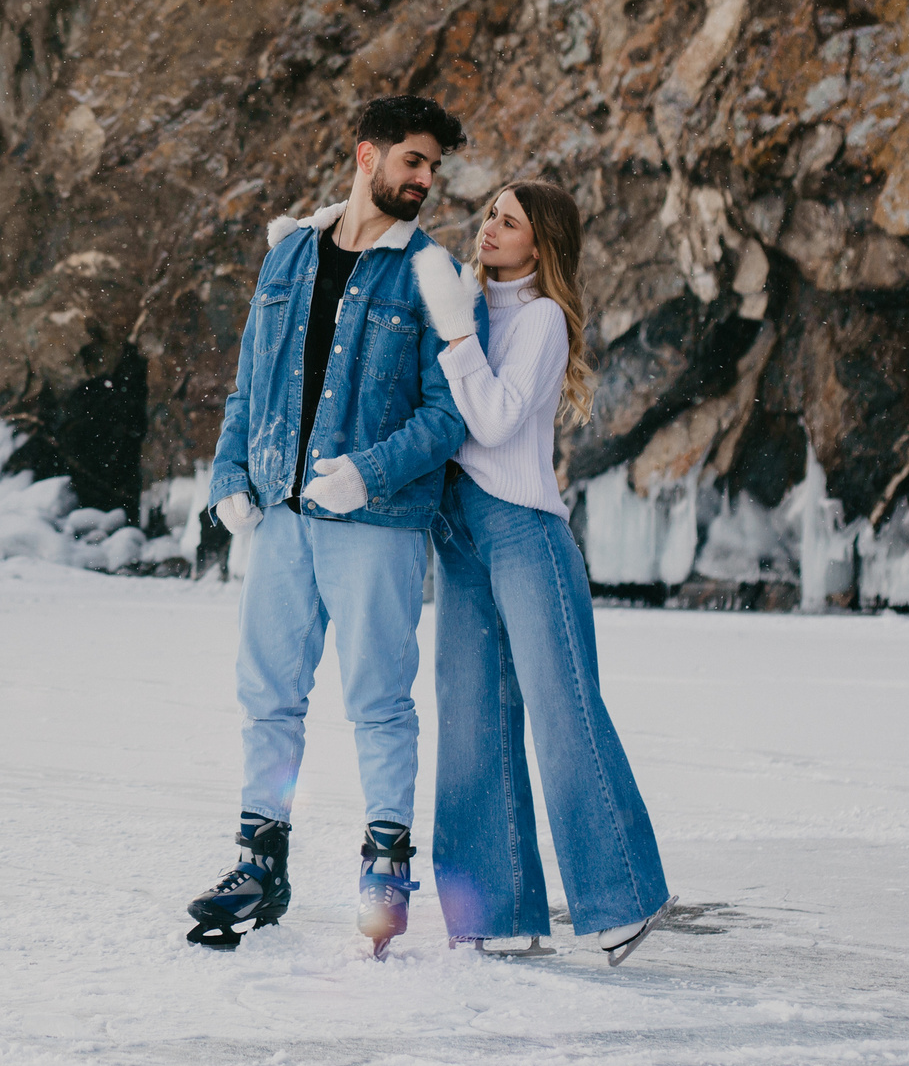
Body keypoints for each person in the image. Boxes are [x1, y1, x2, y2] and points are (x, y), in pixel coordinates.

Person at [184, 94, 472, 956]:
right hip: (279, 515)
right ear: (365, 156)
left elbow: (451, 412)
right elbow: (249, 382)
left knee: (379, 699)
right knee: (267, 693)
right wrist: (229, 471)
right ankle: (259, 861)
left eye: (433, 168)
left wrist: (370, 471)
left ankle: (385, 868)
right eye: (412, 161)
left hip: (376, 522)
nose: (424, 179)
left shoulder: (435, 275)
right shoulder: (287, 257)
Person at [412, 181, 674, 967]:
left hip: (523, 528)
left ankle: (621, 897)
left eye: (510, 220)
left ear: (542, 244)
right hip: (457, 528)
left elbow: (491, 419)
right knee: (470, 717)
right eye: (490, 213)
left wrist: (458, 340)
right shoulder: (460, 301)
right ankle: (496, 911)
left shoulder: (539, 319)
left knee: (563, 709)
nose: (490, 227)